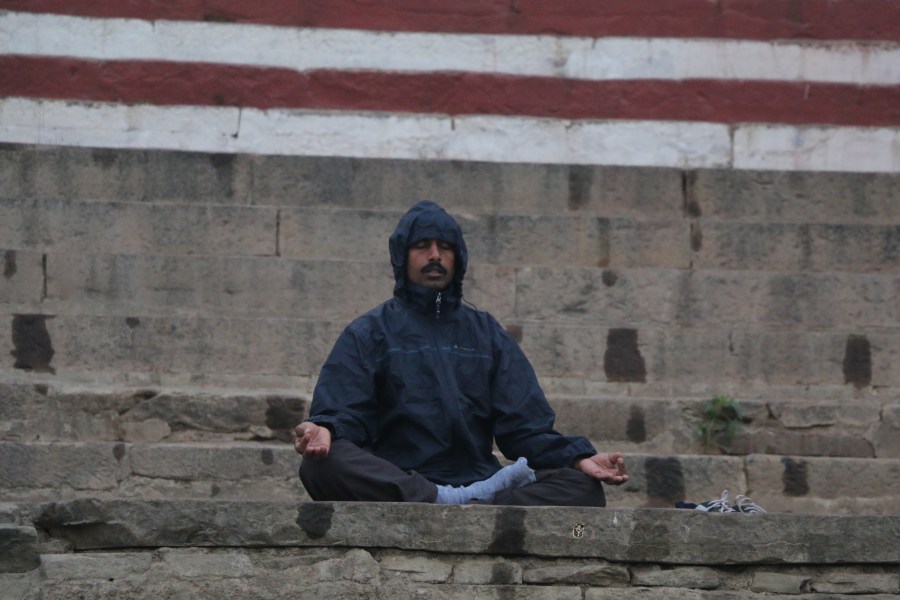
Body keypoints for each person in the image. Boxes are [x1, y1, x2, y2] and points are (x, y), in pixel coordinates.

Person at [294, 200, 628, 506]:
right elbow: (344, 414)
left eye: (445, 247)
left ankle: (472, 500)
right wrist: (326, 429)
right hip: (399, 482)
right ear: (402, 256)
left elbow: (526, 429)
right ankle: (443, 500)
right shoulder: (368, 332)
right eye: (422, 246)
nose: (435, 255)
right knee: (320, 468)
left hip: (481, 480)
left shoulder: (487, 334)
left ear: (459, 257)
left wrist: (577, 458)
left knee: (584, 493)